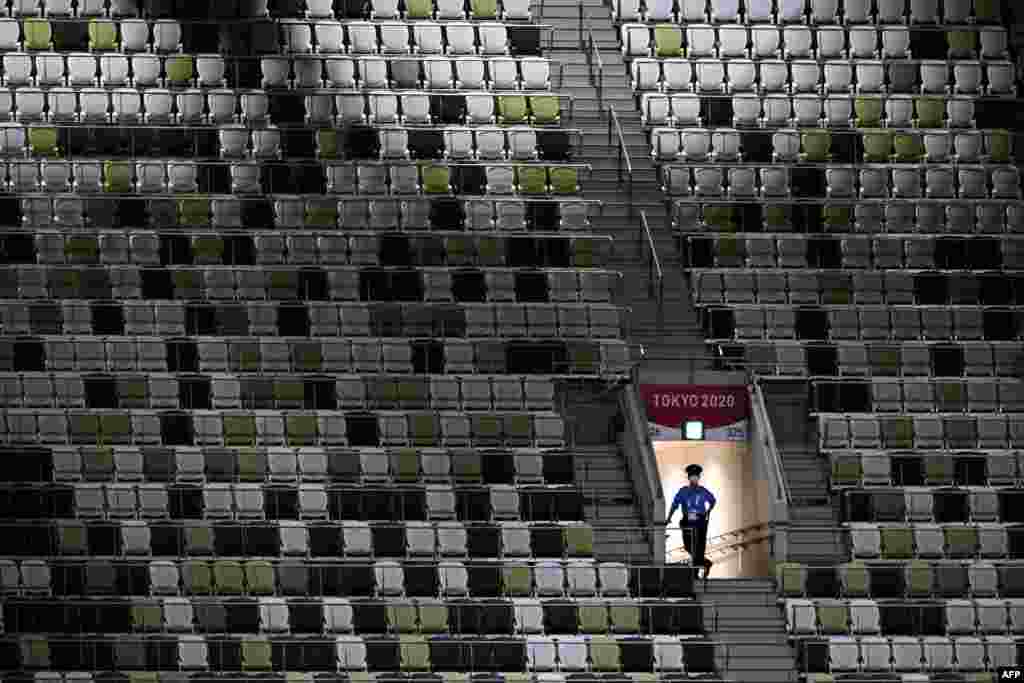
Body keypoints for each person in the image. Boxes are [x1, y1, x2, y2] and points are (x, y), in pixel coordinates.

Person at [666, 464, 716, 578]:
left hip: (700, 521)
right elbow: (675, 505)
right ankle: (705, 563)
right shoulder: (683, 491)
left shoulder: (703, 491)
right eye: (692, 476)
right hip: (688, 520)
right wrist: (669, 518)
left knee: (699, 547)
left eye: (696, 476)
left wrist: (708, 511)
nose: (694, 478)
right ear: (688, 478)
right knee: (689, 546)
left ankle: (695, 573)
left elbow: (713, 500)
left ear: (698, 478)